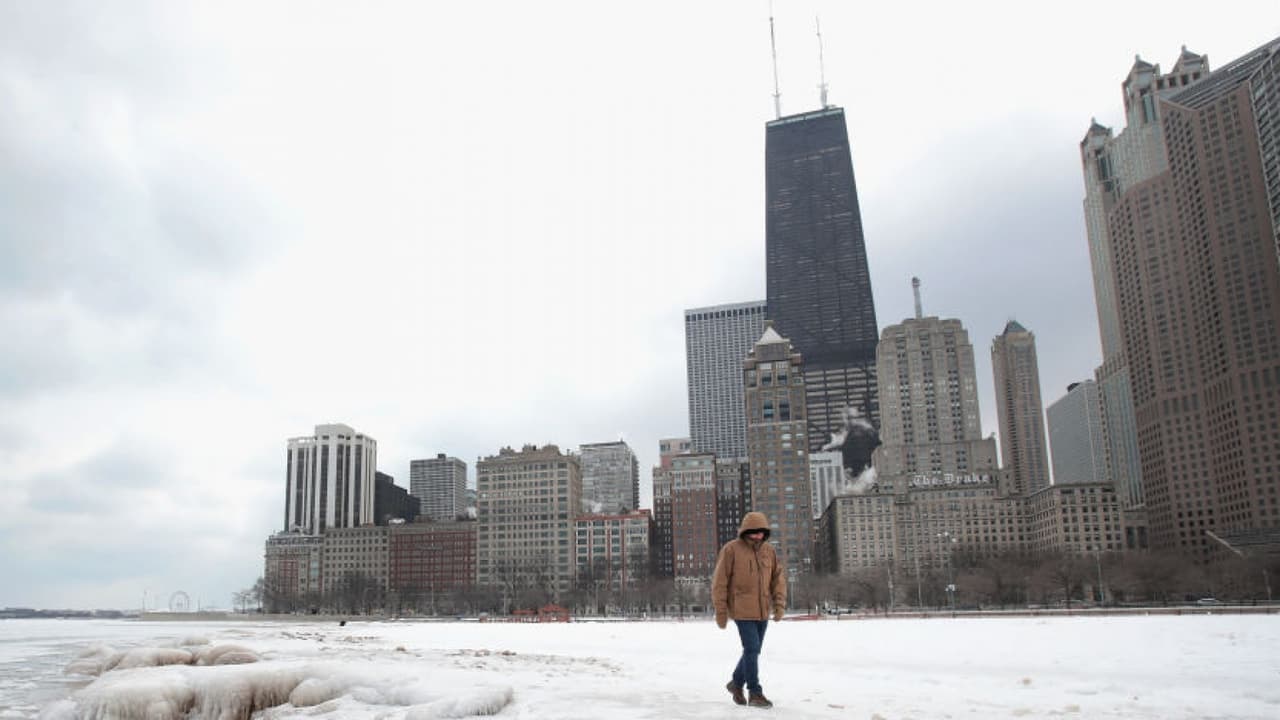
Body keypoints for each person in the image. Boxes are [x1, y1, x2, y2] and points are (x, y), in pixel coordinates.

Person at [711, 511, 786, 708]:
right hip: (742, 609)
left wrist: (779, 604)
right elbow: (720, 582)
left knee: (753, 651)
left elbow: (778, 579)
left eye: (761, 533)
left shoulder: (769, 551)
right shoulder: (731, 550)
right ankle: (755, 692)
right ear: (745, 532)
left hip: (763, 610)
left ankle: (736, 683)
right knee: (752, 648)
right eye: (753, 532)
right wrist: (721, 611)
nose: (757, 536)